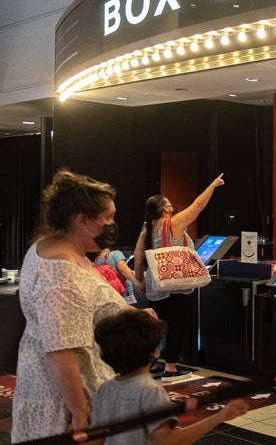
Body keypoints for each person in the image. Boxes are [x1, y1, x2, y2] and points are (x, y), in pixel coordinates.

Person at [11, 169, 130, 442]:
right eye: (108, 218)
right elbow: (60, 350)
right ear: (82, 220)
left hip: (62, 388)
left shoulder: (57, 247)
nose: (112, 224)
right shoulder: (61, 273)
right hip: (67, 399)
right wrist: (79, 412)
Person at [89, 309, 249, 445]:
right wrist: (218, 417)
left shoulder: (105, 389)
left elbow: (97, 439)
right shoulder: (150, 392)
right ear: (155, 351)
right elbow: (167, 440)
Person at [133, 173, 224, 382]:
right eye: (169, 203)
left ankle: (152, 364)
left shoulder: (147, 227)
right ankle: (171, 368)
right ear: (166, 208)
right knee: (177, 324)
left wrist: (139, 280)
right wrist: (212, 185)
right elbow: (198, 205)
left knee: (158, 324)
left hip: (155, 286)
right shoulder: (172, 223)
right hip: (177, 285)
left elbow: (138, 257)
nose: (171, 205)